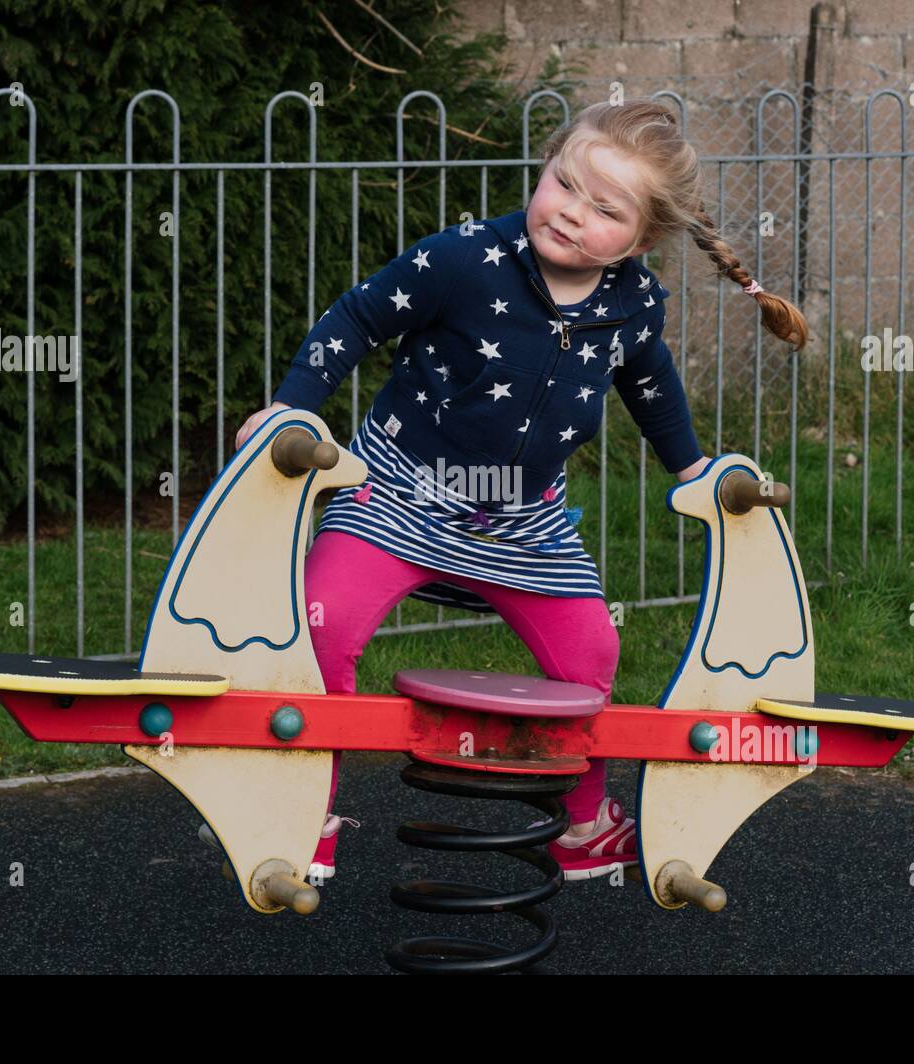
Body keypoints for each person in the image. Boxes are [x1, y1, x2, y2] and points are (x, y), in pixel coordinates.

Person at [230, 97, 808, 885]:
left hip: (523, 522)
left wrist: (693, 471)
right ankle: (304, 813)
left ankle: (582, 825)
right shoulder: (465, 259)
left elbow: (651, 385)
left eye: (604, 209)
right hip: (399, 492)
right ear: (542, 172)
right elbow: (358, 317)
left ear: (639, 240)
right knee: (319, 626)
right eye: (563, 184)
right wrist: (294, 405)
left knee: (591, 650)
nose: (571, 214)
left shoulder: (631, 303)